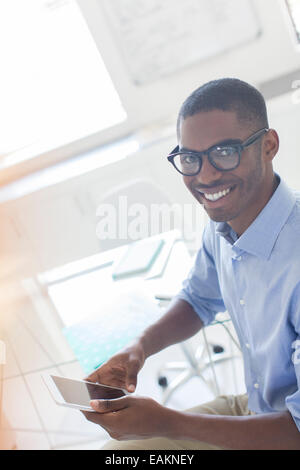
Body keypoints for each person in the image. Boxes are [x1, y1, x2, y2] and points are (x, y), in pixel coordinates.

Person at [82, 78, 300, 450]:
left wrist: (170, 422)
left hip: (284, 431)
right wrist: (140, 347)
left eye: (225, 152)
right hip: (257, 408)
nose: (206, 175)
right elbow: (199, 299)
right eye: (190, 159)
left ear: (268, 146)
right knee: (116, 455)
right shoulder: (224, 224)